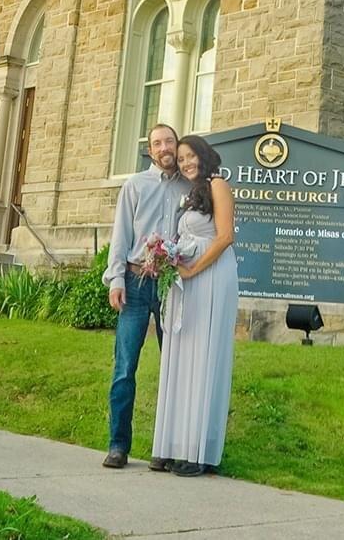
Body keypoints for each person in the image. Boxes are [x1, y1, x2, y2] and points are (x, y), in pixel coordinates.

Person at [151, 134, 239, 477]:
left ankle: (199, 451)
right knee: (182, 357)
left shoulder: (218, 184)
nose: (186, 162)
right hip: (185, 277)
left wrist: (193, 270)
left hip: (213, 277)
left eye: (191, 157)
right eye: (182, 158)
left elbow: (225, 236)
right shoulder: (189, 194)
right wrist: (165, 256)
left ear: (204, 156)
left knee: (203, 358)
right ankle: (173, 445)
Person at [102, 121, 185, 470]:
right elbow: (121, 235)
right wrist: (115, 279)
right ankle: (118, 445)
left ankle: (168, 448)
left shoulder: (190, 186)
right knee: (125, 368)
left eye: (169, 141)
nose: (164, 147)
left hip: (173, 286)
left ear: (177, 146)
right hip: (135, 284)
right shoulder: (135, 185)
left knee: (176, 368)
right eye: (157, 143)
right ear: (149, 150)